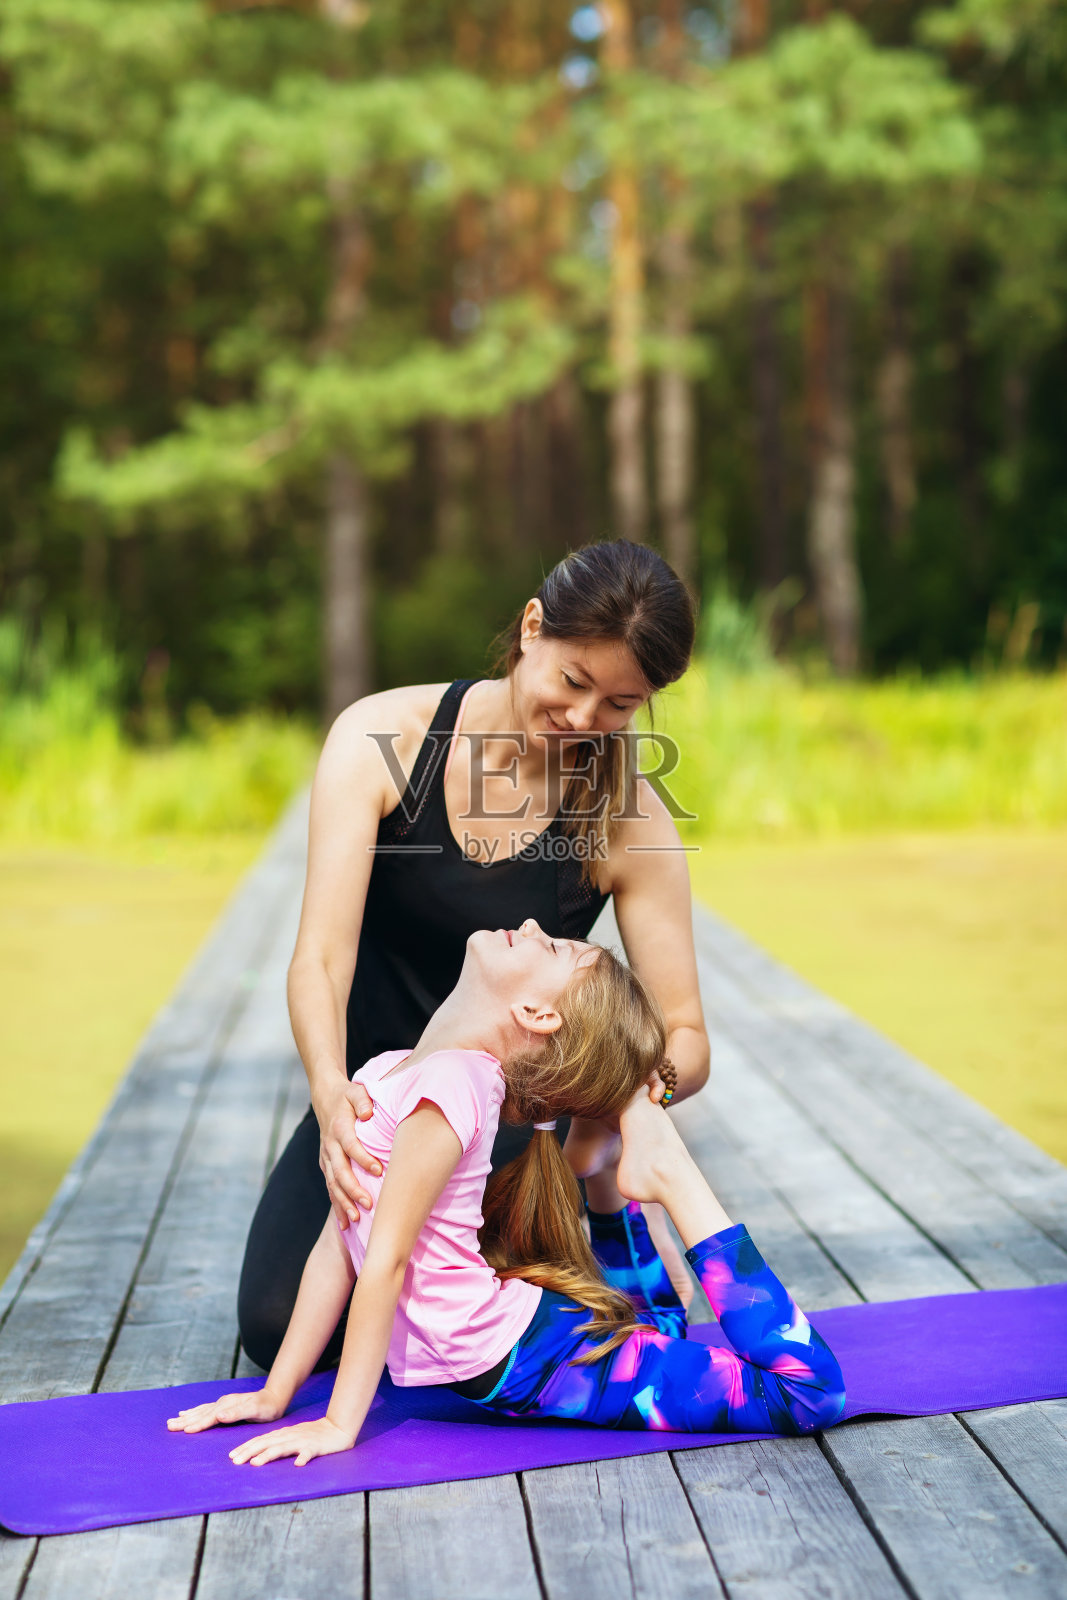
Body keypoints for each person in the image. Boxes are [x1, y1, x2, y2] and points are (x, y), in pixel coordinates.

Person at [237, 539, 711, 1370]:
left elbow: (684, 1032)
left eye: (620, 706)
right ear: (533, 628)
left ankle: (592, 1220)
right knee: (278, 1325)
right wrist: (329, 1099)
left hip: (519, 1127)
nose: (585, 721)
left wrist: (631, 1105)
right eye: (572, 682)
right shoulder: (385, 738)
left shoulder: (629, 813)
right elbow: (319, 960)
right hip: (374, 1109)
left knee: (578, 1338)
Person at [174, 920, 844, 1462]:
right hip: (524, 1336)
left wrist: (338, 1424)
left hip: (527, 1358)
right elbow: (338, 1245)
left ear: (534, 1011)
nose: (528, 924)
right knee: (653, 1335)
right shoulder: (385, 1073)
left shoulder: (453, 1088)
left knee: (804, 1394)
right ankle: (609, 1177)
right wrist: (277, 1391)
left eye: (551, 945)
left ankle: (666, 1170)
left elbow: (386, 1261)